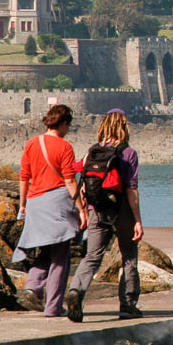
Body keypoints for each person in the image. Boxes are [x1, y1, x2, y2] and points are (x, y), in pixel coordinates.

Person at [65, 109, 144, 322]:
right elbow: (131, 188)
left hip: (96, 210)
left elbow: (73, 173)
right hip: (121, 212)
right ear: (124, 127)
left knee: (92, 256)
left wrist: (83, 206)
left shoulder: (93, 151)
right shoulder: (128, 153)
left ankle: (76, 291)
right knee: (129, 258)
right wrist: (137, 220)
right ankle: (128, 304)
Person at [13, 104, 88, 317]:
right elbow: (69, 180)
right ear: (63, 123)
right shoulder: (64, 147)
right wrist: (81, 209)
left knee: (45, 250)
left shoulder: (32, 143)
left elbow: (24, 176)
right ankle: (53, 307)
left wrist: (23, 205)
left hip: (35, 202)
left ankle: (32, 287)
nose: (68, 129)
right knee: (60, 256)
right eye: (68, 125)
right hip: (56, 203)